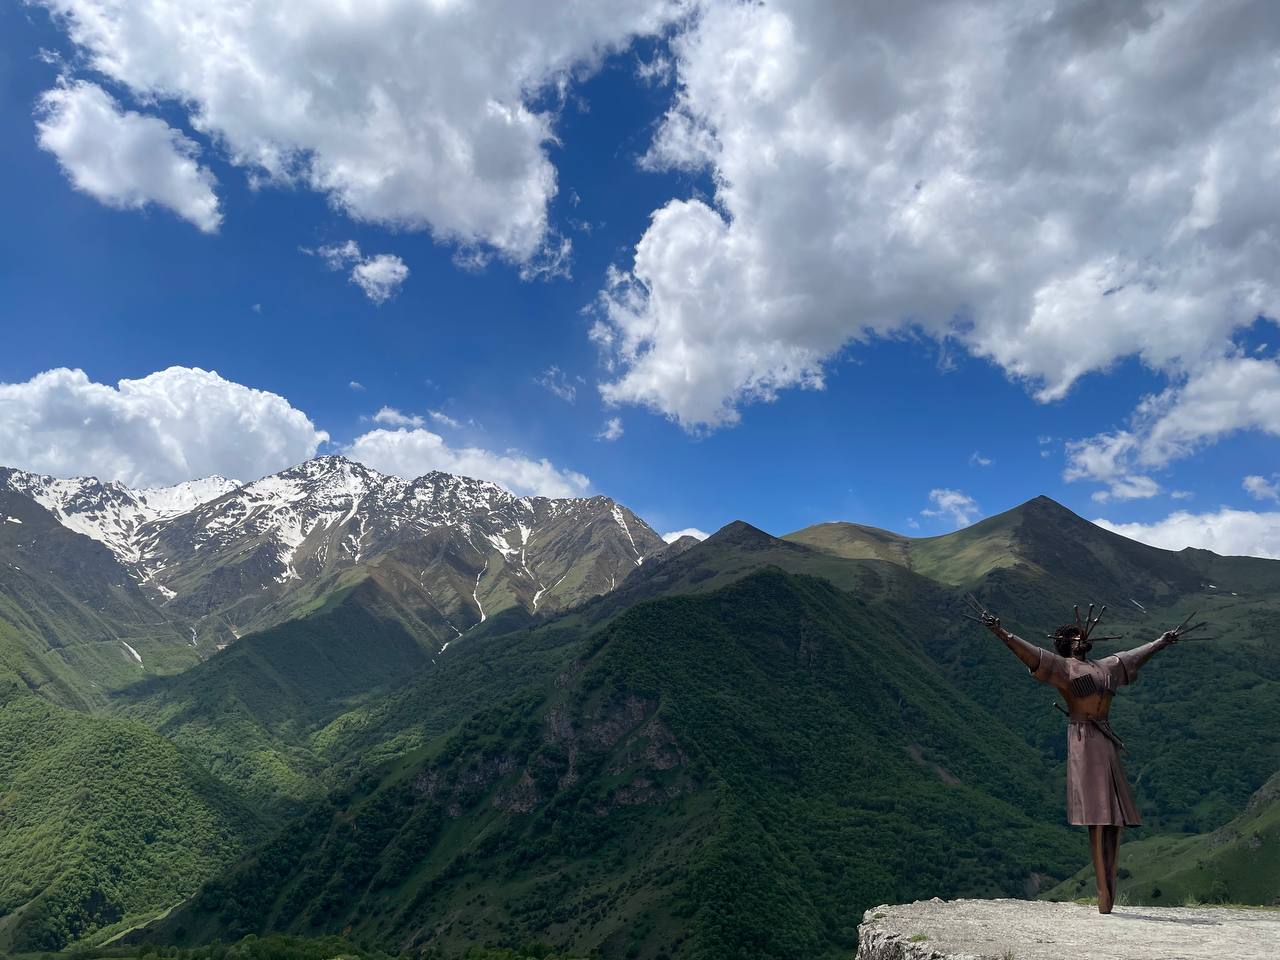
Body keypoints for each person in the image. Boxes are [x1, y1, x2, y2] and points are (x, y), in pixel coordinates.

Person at [966, 600, 1204, 913]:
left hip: (1105, 738)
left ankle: (1110, 895)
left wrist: (1162, 641)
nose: (1081, 638)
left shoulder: (1105, 667)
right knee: (1098, 816)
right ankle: (1103, 894)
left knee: (1115, 819)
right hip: (1083, 739)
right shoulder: (1061, 667)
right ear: (1066, 642)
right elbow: (1029, 653)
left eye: (1082, 634)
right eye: (1075, 636)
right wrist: (1001, 632)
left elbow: (1134, 656)